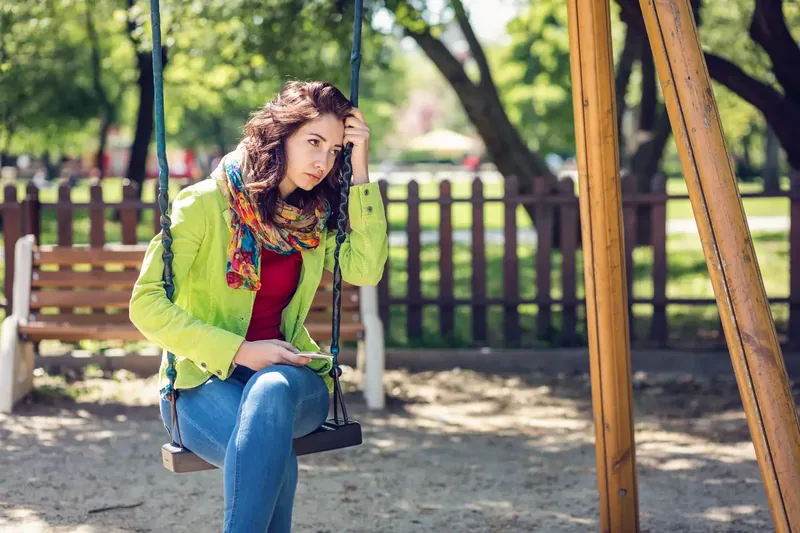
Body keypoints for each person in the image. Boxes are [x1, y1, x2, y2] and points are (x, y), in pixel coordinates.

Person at [129, 80, 388, 532]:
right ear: (279, 136)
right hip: (201, 384)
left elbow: (365, 269)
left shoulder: (312, 219)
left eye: (334, 149)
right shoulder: (204, 205)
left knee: (269, 395)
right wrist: (240, 351)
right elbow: (146, 304)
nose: (322, 161)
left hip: (289, 384)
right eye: (312, 142)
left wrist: (361, 168)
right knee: (268, 456)